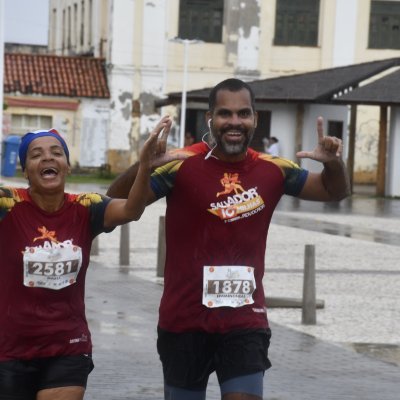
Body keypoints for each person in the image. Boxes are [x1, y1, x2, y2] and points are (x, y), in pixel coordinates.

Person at [106, 78, 350, 400]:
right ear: (211, 118)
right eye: (225, 113)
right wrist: (144, 165)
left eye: (243, 113)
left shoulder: (273, 169)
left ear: (255, 119)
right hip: (184, 322)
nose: (234, 122)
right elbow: (115, 201)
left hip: (244, 321)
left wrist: (333, 164)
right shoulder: (181, 164)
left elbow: (335, 191)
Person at [0, 126, 174, 400]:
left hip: (68, 345)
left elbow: (131, 209)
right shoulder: (7, 204)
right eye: (36, 155)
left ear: (67, 166)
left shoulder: (86, 205)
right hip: (9, 350)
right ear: (25, 171)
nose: (47, 158)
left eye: (56, 153)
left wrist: (145, 167)